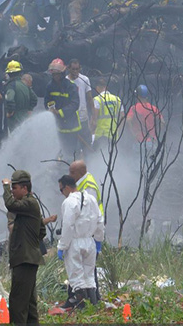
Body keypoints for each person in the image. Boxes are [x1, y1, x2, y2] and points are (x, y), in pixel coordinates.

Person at [2, 170, 45, 325]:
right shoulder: (30, 205)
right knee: (29, 302)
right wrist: (30, 242)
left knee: (18, 303)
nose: (12, 191)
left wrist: (5, 187)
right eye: (11, 188)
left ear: (24, 189)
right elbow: (42, 230)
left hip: (25, 259)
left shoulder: (29, 203)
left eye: (15, 188)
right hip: (28, 258)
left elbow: (10, 204)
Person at [57, 175, 105, 308]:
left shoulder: (69, 202)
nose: (62, 193)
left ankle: (81, 305)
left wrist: (62, 246)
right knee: (89, 275)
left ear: (67, 187)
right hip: (90, 241)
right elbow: (99, 220)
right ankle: (93, 303)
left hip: (75, 242)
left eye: (61, 190)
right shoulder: (91, 199)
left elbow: (68, 226)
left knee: (76, 275)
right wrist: (98, 240)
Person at [69, 160, 104, 300]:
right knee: (86, 268)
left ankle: (91, 298)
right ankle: (91, 298)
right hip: (89, 232)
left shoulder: (88, 186)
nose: (70, 175)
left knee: (88, 268)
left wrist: (97, 238)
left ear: (80, 172)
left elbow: (90, 213)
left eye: (72, 172)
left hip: (90, 232)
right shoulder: (83, 182)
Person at [45, 58, 81, 160]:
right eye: (53, 74)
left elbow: (75, 104)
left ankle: (72, 168)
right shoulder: (49, 87)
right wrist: (50, 109)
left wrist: (60, 112)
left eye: (57, 74)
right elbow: (47, 101)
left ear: (62, 73)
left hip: (72, 126)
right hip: (58, 126)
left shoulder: (71, 86)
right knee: (60, 151)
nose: (55, 76)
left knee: (71, 152)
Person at [66, 59, 94, 153]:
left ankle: (88, 164)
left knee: (87, 143)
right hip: (70, 119)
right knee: (73, 147)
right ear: (68, 68)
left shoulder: (84, 80)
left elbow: (90, 99)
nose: (75, 71)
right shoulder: (65, 81)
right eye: (73, 69)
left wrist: (93, 117)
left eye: (77, 69)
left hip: (83, 118)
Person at [127, 84, 164, 152]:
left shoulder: (133, 108)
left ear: (137, 96)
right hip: (152, 142)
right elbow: (162, 122)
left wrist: (133, 133)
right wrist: (155, 134)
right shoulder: (154, 108)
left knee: (138, 162)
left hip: (139, 141)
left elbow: (128, 120)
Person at [4, 60, 38, 132]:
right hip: (25, 117)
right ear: (20, 72)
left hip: (15, 119)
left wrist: (10, 112)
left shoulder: (11, 86)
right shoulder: (24, 85)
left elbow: (10, 99)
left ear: (9, 74)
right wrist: (29, 109)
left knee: (15, 139)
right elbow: (34, 99)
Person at [91, 79, 124, 153]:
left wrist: (92, 131)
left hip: (101, 135)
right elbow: (122, 117)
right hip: (114, 135)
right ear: (106, 87)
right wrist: (118, 131)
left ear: (97, 88)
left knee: (99, 156)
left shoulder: (97, 99)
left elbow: (94, 118)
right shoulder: (117, 99)